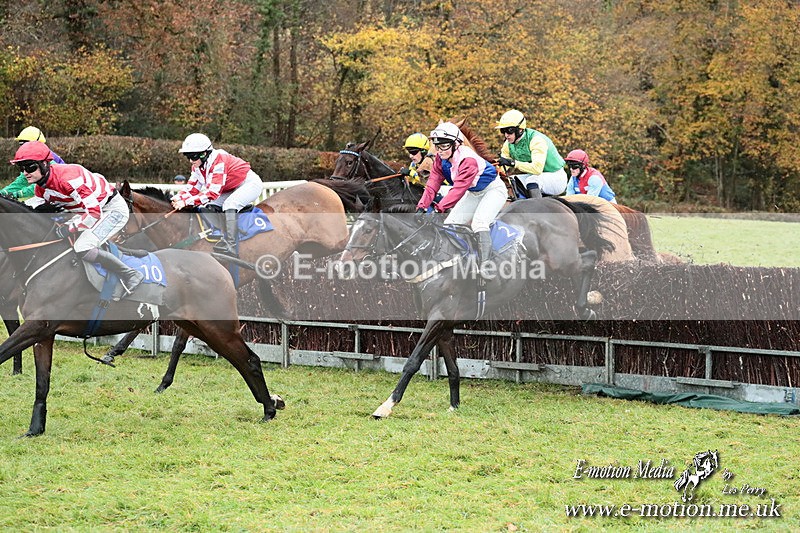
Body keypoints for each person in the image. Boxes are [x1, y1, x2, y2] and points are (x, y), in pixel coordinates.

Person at [9, 141, 143, 294]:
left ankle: (131, 274)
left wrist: (69, 228)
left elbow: (94, 213)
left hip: (111, 211)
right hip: (84, 212)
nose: (25, 172)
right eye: (22, 168)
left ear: (45, 164)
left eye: (30, 167)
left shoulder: (69, 179)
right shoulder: (41, 188)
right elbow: (28, 211)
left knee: (83, 247)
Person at [416, 122, 507, 273]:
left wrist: (439, 209)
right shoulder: (440, 158)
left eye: (444, 146)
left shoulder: (468, 160)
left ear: (456, 144)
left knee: (479, 223)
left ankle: (487, 266)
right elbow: (432, 183)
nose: (440, 150)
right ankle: (463, 259)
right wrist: (422, 206)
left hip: (493, 190)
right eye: (437, 146)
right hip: (474, 193)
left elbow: (458, 190)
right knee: (450, 224)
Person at [171, 133, 263, 256]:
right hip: (229, 187)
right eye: (187, 156)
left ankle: (231, 245)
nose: (190, 161)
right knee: (210, 205)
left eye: (192, 157)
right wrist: (175, 198)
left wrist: (186, 202)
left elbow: (212, 193)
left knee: (230, 204)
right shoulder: (197, 166)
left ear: (204, 154)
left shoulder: (219, 161)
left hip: (248, 184)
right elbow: (191, 189)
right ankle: (219, 235)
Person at [495, 109, 567, 199]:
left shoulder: (536, 140)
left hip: (556, 178)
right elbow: (501, 167)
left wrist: (513, 163)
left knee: (532, 180)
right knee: (510, 180)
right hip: (537, 176)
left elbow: (537, 169)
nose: (506, 135)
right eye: (503, 131)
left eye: (509, 130)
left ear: (520, 130)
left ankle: (536, 210)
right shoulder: (508, 144)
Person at [1, 126, 65, 199]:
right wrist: (3, 192)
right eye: (21, 145)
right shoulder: (34, 157)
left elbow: (41, 184)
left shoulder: (47, 158)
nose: (22, 149)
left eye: (25, 145)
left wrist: (17, 194)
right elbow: (21, 181)